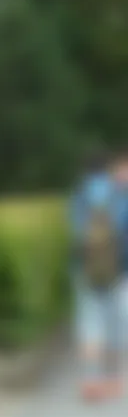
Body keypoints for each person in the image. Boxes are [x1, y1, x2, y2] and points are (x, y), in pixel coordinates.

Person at [70, 149, 128, 402]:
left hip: (85, 270)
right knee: (117, 326)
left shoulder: (80, 194)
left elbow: (75, 231)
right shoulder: (119, 195)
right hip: (118, 270)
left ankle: (90, 381)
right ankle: (114, 380)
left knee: (90, 326)